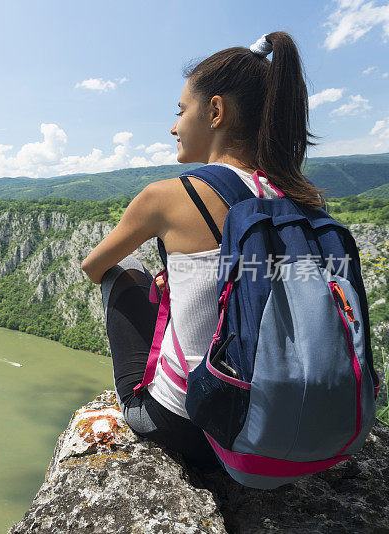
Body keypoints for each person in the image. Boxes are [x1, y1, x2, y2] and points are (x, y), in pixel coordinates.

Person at [80, 31, 328, 472]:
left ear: (215, 111)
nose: (174, 127)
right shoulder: (299, 197)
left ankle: (156, 394)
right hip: (285, 422)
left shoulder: (166, 196)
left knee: (125, 268)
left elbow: (92, 266)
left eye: (180, 111)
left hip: (193, 427)